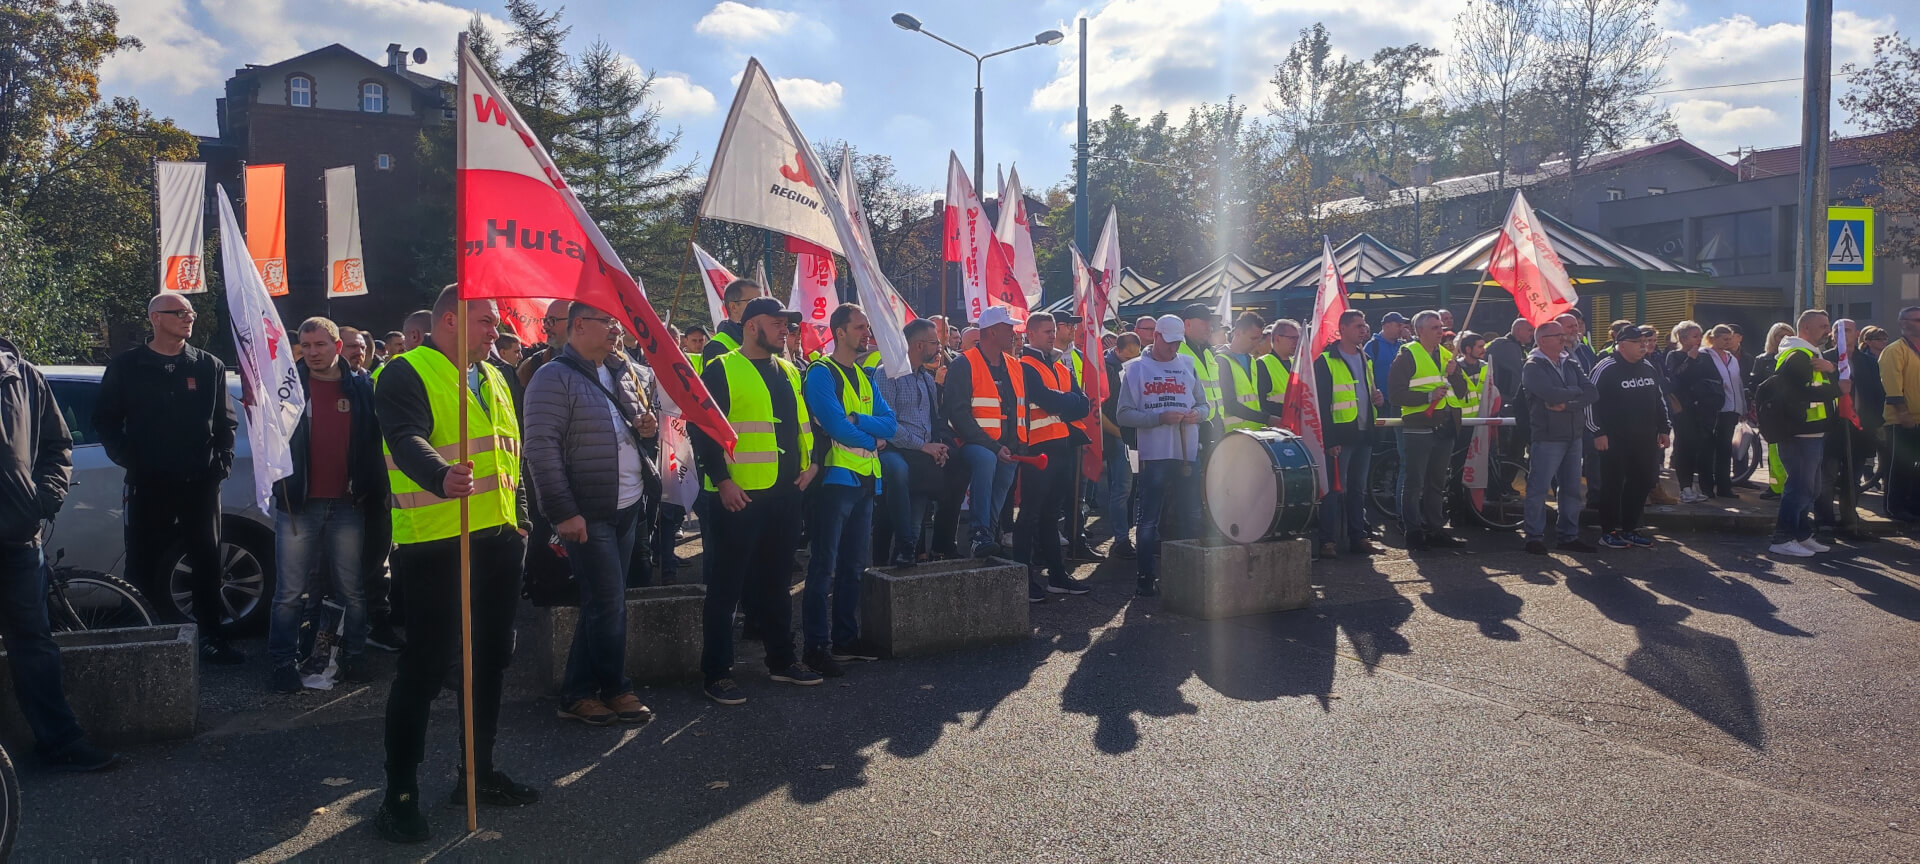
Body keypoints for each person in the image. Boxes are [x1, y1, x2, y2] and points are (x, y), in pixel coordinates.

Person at [374, 287, 536, 843]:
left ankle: (477, 773)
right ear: (450, 320)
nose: (497, 330)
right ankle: (399, 794)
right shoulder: (404, 372)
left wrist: (523, 519)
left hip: (496, 540)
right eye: (487, 321)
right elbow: (404, 437)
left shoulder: (494, 376)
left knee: (489, 660)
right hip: (435, 544)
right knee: (424, 668)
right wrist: (440, 474)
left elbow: (511, 452)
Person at [523, 302, 659, 727]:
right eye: (608, 323)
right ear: (579, 326)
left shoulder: (621, 371)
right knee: (609, 602)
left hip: (626, 504)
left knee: (601, 602)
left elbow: (628, 426)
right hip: (587, 511)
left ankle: (579, 691)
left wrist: (645, 426)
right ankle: (615, 688)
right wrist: (563, 512)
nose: (617, 330)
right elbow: (540, 451)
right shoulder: (551, 378)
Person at [93, 293, 241, 664]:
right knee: (142, 561)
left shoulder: (208, 365)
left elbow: (226, 422)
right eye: (180, 313)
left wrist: (221, 463)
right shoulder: (128, 366)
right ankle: (141, 638)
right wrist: (131, 460)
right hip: (149, 481)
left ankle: (212, 638)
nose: (189, 318)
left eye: (190, 312)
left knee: (207, 561)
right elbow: (105, 420)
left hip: (200, 482)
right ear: (156, 318)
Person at [690, 298, 823, 705]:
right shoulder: (722, 368)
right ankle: (716, 673)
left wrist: (814, 463)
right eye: (776, 323)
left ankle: (782, 661)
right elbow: (703, 430)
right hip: (740, 498)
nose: (785, 329)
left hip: (785, 494)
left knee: (777, 582)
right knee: (727, 588)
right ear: (751, 326)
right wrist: (723, 481)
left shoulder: (787, 370)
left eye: (787, 323)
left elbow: (806, 423)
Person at [0, 337, 119, 771]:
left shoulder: (22, 375)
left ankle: (60, 741)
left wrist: (45, 496)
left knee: (34, 644)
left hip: (17, 535)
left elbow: (56, 443)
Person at [267, 318, 386, 692]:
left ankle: (351, 657)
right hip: (298, 502)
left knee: (351, 589)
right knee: (289, 592)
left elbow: (372, 441)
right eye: (307, 345)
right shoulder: (287, 386)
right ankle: (281, 663)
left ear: (337, 345)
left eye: (320, 344)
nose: (313, 352)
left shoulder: (361, 386)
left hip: (348, 503)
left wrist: (370, 489)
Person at [801, 304, 897, 676]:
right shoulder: (821, 373)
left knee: (854, 566)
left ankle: (844, 639)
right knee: (824, 566)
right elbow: (836, 427)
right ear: (839, 332)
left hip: (865, 480)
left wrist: (862, 422)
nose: (866, 334)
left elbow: (891, 423)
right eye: (860, 327)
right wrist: (872, 440)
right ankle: (816, 647)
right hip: (835, 481)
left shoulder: (863, 374)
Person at [1117, 314, 1207, 597]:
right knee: (1148, 520)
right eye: (1168, 342)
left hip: (1186, 452)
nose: (1173, 349)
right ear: (1155, 336)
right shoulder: (1134, 369)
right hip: (1153, 455)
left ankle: (1189, 575)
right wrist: (1159, 417)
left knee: (1191, 514)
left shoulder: (1188, 364)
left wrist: (1197, 415)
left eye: (1177, 343)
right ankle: (1145, 577)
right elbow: (1123, 415)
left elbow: (1205, 406)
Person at [1013, 312, 1091, 602]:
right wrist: (1064, 402)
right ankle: (1023, 578)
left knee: (1050, 516)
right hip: (1038, 450)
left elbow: (1082, 405)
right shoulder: (1026, 365)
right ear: (1030, 334)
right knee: (1030, 515)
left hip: (1062, 447)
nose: (1051, 334)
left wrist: (1062, 403)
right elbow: (1047, 399)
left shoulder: (1058, 366)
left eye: (1053, 330)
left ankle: (1057, 576)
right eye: (1046, 331)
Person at [942, 305, 1026, 558]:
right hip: (970, 443)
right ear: (991, 332)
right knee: (986, 459)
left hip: (1006, 444)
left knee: (1003, 477)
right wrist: (993, 446)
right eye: (1008, 327)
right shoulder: (963, 364)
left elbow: (1018, 409)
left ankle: (987, 533)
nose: (1013, 332)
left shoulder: (1013, 365)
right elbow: (958, 414)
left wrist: (1013, 445)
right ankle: (979, 534)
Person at [1765, 310, 1842, 558]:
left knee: (1811, 488)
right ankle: (1782, 537)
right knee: (1799, 488)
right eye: (1823, 326)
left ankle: (1801, 534)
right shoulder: (1798, 356)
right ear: (1806, 328)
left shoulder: (1810, 354)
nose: (1827, 331)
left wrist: (1831, 369)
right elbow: (1792, 395)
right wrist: (1836, 389)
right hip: (1800, 433)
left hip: (1812, 432)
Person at [1388, 310, 1468, 551]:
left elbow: (1462, 391)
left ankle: (1435, 529)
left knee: (1436, 482)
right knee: (1414, 482)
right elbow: (1395, 394)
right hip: (1419, 426)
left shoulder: (1447, 355)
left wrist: (1454, 375)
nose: (1440, 331)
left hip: (1444, 427)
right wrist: (1427, 396)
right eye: (1434, 327)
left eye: (1441, 326)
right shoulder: (1407, 356)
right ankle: (1413, 532)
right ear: (1419, 331)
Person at [1590, 326, 1672, 549]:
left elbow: (1659, 399)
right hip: (1614, 439)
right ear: (1622, 344)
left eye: (1645, 342)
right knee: (1613, 485)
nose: (1643, 346)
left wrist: (1664, 428)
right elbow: (1590, 401)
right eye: (1638, 343)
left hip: (1645, 439)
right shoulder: (1606, 367)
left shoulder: (1648, 366)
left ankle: (1630, 528)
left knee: (1643, 480)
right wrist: (1597, 431)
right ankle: (1608, 531)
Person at [1520, 320, 1598, 555]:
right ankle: (1533, 537)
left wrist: (1567, 404)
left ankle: (1568, 536)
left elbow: (1592, 392)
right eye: (1558, 335)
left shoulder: (1570, 361)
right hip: (1548, 436)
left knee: (1572, 489)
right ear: (1542, 340)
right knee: (1539, 488)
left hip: (1573, 435)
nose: (1564, 338)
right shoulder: (1533, 366)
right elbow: (1549, 394)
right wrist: (1576, 394)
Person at [876, 319, 949, 567]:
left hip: (921, 453)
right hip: (893, 450)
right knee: (898, 472)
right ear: (918, 345)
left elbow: (932, 420)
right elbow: (887, 425)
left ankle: (906, 555)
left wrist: (938, 446)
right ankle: (900, 549)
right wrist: (922, 446)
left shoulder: (927, 379)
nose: (939, 348)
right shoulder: (887, 373)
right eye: (934, 342)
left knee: (918, 509)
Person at [1315, 310, 1384, 558]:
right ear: (1342, 329)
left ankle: (1358, 537)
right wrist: (1330, 440)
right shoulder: (1326, 361)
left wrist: (1379, 400)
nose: (1363, 329)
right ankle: (1327, 541)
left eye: (1364, 325)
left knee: (1358, 489)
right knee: (1334, 490)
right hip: (1341, 437)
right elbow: (1322, 405)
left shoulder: (1366, 358)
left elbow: (1367, 395)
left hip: (1364, 434)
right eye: (1358, 325)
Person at [1662, 321, 1716, 503]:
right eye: (1695, 336)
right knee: (1685, 446)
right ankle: (1685, 487)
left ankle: (1695, 486)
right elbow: (1675, 378)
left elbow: (1712, 377)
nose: (1699, 340)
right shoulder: (1674, 355)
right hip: (1683, 408)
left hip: (1701, 408)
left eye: (1700, 336)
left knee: (1698, 448)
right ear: (1683, 338)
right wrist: (1689, 359)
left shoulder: (1705, 356)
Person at [1101, 331, 1143, 558]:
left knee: (1131, 489)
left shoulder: (1133, 366)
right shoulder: (1107, 370)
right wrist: (1119, 434)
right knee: (1122, 489)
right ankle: (1121, 539)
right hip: (1119, 437)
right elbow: (1099, 411)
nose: (1131, 363)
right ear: (1117, 351)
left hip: (1133, 436)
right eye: (1127, 358)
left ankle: (1125, 537)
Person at [1881, 306, 1920, 522]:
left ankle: (1915, 505)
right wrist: (1903, 414)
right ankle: (1895, 506)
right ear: (1904, 323)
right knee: (1900, 466)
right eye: (1917, 320)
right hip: (1902, 421)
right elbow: (1892, 387)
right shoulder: (1895, 350)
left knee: (1917, 466)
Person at [1700, 324, 1748, 499]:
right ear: (1714, 338)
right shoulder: (1705, 355)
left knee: (1725, 449)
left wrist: (1742, 407)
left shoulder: (1731, 358)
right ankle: (1706, 486)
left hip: (1731, 410)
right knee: (1708, 449)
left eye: (1730, 339)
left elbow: (1738, 384)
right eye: (1725, 339)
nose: (1728, 343)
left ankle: (1724, 487)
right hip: (1714, 409)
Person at [1220, 312, 1279, 433]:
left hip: (1253, 433)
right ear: (1237, 333)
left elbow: (1255, 401)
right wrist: (1267, 418)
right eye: (1253, 338)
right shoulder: (1221, 360)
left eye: (1259, 338)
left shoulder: (1252, 360)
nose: (1257, 343)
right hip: (1233, 434)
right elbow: (1230, 403)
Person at [1175, 304, 1223, 442]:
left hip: (1213, 427)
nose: (1209, 328)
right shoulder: (1177, 352)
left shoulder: (1207, 352)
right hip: (1192, 427)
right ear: (1187, 324)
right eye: (1204, 323)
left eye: (1210, 323)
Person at [700, 278, 767, 372]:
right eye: (754, 302)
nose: (762, 307)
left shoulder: (766, 340)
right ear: (733, 307)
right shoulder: (716, 347)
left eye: (762, 301)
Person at [515, 300, 572, 388]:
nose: (545, 326)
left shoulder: (597, 361)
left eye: (552, 320)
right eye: (545, 320)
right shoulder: (532, 365)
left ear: (574, 322)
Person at [1365, 312, 1407, 396]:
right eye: (1399, 325)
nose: (1402, 329)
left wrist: (1409, 340)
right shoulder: (1372, 346)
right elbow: (1365, 373)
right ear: (1387, 326)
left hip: (1402, 398)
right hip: (1383, 401)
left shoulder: (1403, 345)